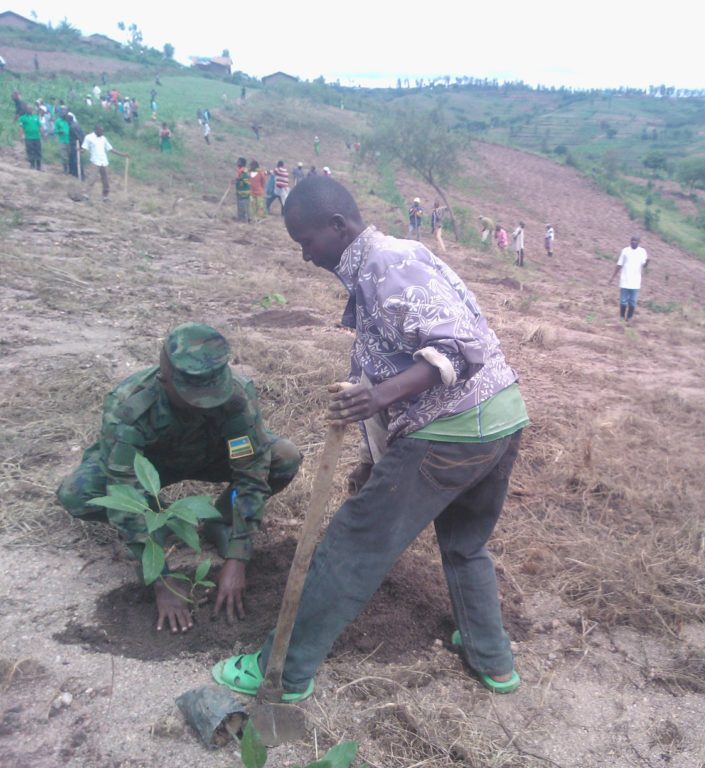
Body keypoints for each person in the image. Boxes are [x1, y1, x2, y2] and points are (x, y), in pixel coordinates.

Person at [211, 176, 529, 702]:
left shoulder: (386, 264)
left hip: (449, 432)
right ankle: (491, 658)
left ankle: (281, 672)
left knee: (350, 547)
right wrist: (371, 457)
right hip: (498, 423)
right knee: (465, 545)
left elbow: (458, 347)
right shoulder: (389, 264)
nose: (306, 257)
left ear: (338, 227)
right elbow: (390, 361)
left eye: (307, 242)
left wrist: (380, 398)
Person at [57, 324, 302, 633]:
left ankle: (220, 520)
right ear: (165, 378)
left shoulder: (237, 396)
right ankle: (161, 519)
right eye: (194, 396)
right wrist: (161, 579)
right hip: (149, 470)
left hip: (212, 456)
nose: (206, 403)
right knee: (76, 493)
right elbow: (123, 489)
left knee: (283, 457)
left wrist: (239, 556)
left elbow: (251, 475)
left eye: (213, 394)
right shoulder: (129, 405)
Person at [81, 125, 128, 201]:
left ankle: (105, 197)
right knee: (92, 178)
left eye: (103, 131)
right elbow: (84, 148)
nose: (102, 132)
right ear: (95, 130)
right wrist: (81, 151)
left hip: (104, 161)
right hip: (95, 161)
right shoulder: (89, 137)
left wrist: (122, 154)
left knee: (105, 180)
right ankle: (85, 195)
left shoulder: (103, 139)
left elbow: (110, 149)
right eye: (100, 131)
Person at [610, 236, 649, 322]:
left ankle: (630, 318)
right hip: (624, 280)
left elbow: (644, 265)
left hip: (635, 281)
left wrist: (647, 263)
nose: (634, 242)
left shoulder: (642, 252)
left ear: (639, 242)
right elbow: (619, 264)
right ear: (630, 241)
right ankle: (622, 317)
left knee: (633, 301)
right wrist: (613, 277)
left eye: (636, 241)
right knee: (623, 301)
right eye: (632, 240)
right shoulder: (625, 251)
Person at [17, 105, 43, 171]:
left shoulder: (36, 117)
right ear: (26, 110)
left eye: (31, 109)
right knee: (30, 150)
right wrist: (21, 136)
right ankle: (32, 164)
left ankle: (38, 165)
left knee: (38, 150)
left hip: (37, 137)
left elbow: (40, 126)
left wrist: (42, 134)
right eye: (28, 109)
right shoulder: (22, 118)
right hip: (28, 137)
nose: (30, 110)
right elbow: (21, 128)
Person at [54, 109, 71, 173]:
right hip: (62, 140)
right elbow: (55, 130)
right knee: (64, 156)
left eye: (66, 114)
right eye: (63, 114)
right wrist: (59, 131)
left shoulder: (69, 120)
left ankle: (71, 169)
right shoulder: (58, 121)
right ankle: (65, 169)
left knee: (70, 155)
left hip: (70, 140)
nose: (65, 115)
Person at [235, 158, 252, 223]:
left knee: (243, 207)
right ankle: (243, 219)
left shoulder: (244, 171)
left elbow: (245, 180)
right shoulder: (241, 171)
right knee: (242, 206)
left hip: (244, 193)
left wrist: (237, 180)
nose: (237, 163)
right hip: (241, 192)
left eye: (239, 162)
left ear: (242, 163)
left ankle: (244, 220)